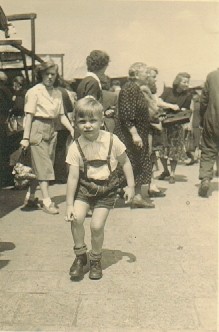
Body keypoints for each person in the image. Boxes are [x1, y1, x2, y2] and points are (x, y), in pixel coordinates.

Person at [65, 97, 135, 280]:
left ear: (101, 121)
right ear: (75, 123)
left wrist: (131, 186)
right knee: (76, 219)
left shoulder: (112, 140)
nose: (87, 125)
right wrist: (69, 205)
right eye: (82, 121)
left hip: (107, 188)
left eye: (92, 121)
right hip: (84, 188)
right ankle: (80, 256)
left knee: (96, 226)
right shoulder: (75, 146)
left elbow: (125, 162)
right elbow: (73, 177)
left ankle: (95, 258)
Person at [20, 61, 74, 214]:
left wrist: (71, 130)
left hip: (52, 128)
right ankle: (47, 201)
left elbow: (62, 115)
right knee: (43, 166)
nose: (50, 77)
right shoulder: (34, 92)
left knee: (42, 165)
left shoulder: (57, 93)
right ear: (41, 75)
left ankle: (31, 197)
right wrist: (25, 137)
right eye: (47, 74)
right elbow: (29, 116)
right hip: (37, 127)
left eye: (53, 74)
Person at [114, 62, 155, 208]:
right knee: (128, 164)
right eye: (146, 72)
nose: (148, 75)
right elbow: (127, 113)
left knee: (137, 163)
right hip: (130, 135)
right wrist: (134, 134)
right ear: (136, 74)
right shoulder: (129, 89)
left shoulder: (135, 88)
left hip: (138, 133)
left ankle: (137, 196)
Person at [158, 72, 193, 183]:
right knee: (162, 148)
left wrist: (183, 111)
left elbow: (186, 109)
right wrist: (171, 106)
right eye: (184, 81)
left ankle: (172, 173)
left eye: (187, 82)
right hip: (164, 124)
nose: (186, 84)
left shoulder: (188, 95)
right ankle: (165, 170)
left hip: (177, 125)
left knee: (175, 150)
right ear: (178, 81)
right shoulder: (168, 90)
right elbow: (158, 102)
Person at [198, 69, 219, 197]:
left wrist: (202, 118)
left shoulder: (212, 76)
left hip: (212, 119)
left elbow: (204, 100)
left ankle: (205, 179)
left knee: (208, 150)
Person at [0, 71, 13, 187]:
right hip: (2, 122)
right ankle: (4, 178)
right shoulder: (4, 90)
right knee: (3, 151)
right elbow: (11, 103)